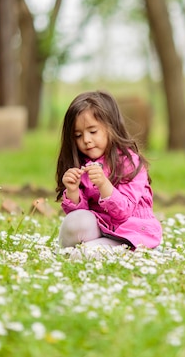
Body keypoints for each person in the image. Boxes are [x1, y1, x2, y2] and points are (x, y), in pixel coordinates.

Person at [55, 90, 162, 256]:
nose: (86, 140)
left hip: (129, 233)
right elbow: (80, 217)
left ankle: (129, 252)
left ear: (111, 127)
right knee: (73, 224)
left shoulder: (130, 163)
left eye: (93, 131)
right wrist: (72, 190)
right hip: (101, 228)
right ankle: (79, 251)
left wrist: (104, 184)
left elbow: (123, 212)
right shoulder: (82, 165)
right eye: (78, 135)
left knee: (83, 255)